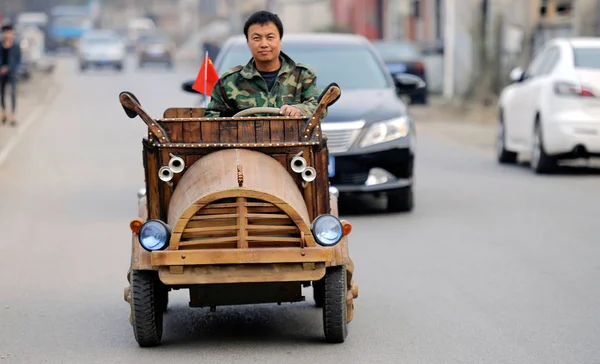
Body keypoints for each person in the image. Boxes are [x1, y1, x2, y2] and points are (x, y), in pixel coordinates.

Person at [203, 11, 321, 118]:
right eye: (256, 38)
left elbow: (319, 108)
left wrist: (299, 110)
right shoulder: (230, 82)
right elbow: (212, 118)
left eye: (270, 37)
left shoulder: (303, 75)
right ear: (248, 42)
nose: (264, 44)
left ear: (280, 41)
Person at [1, 23, 21, 126]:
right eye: (6, 32)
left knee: (13, 93)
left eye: (10, 32)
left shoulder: (16, 46)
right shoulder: (1, 45)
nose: (8, 34)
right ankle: (4, 114)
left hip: (12, 73)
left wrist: (9, 68)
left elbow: (18, 61)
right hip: (1, 74)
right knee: (2, 94)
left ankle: (13, 115)